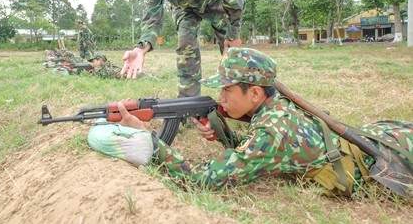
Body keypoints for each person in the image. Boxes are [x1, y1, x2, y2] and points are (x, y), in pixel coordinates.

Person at [114, 47, 413, 197]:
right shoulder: (275, 107)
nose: (221, 97)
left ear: (255, 93)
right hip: (382, 134)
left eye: (227, 89)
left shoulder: (272, 132)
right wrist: (223, 132)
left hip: (390, 154)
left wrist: (149, 140)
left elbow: (201, 180)